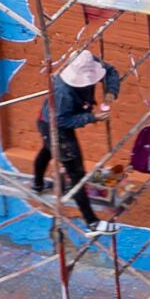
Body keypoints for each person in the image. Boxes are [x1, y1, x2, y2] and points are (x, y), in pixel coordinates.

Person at [29, 47, 107, 206]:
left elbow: (108, 71)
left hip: (52, 119)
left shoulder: (87, 64)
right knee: (75, 166)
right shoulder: (63, 92)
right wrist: (91, 117)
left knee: (47, 150)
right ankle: (90, 219)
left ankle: (38, 185)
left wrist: (111, 90)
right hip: (53, 124)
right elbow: (61, 121)